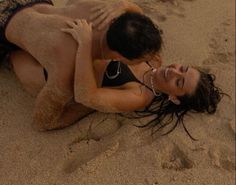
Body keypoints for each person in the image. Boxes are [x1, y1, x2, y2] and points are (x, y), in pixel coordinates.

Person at [10, 19, 224, 139]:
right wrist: (121, 5)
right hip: (61, 54)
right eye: (183, 69)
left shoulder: (140, 95)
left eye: (179, 82)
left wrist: (85, 45)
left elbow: (87, 95)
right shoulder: (155, 60)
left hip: (44, 75)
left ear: (174, 99)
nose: (174, 72)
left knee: (12, 52)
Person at [1, 0, 162, 130]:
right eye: (142, 60)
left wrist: (124, 4)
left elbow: (137, 18)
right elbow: (42, 123)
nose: (154, 60)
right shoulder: (68, 64)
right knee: (51, 87)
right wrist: (92, 106)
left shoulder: (107, 14)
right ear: (118, 57)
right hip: (3, 27)